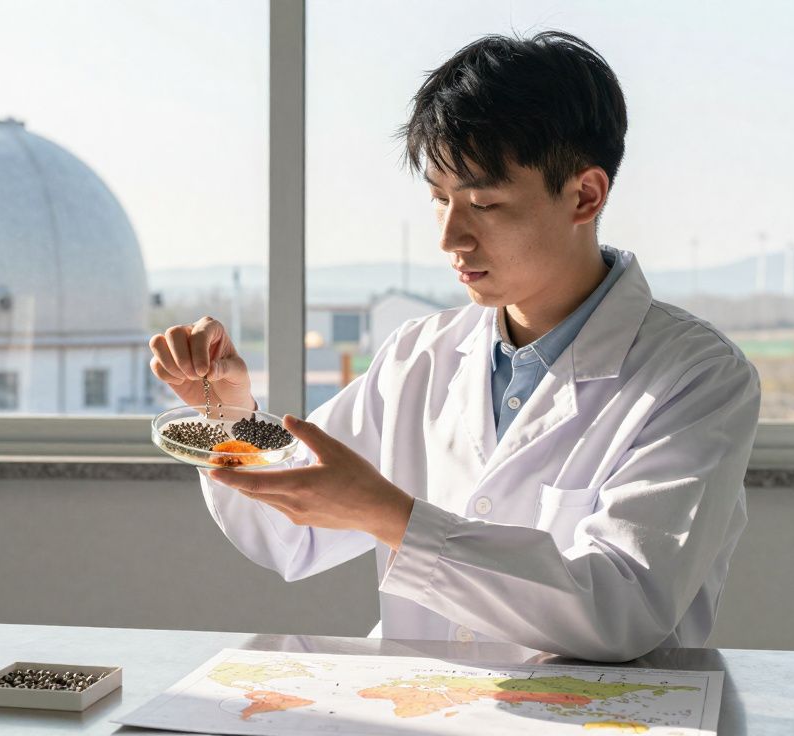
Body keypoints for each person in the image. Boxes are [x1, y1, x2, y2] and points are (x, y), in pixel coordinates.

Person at [148, 31, 760, 662]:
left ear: (585, 195)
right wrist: (228, 414)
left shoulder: (697, 376)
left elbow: (622, 607)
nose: (449, 237)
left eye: (484, 202)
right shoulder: (420, 354)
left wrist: (394, 517)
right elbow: (288, 535)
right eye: (439, 198)